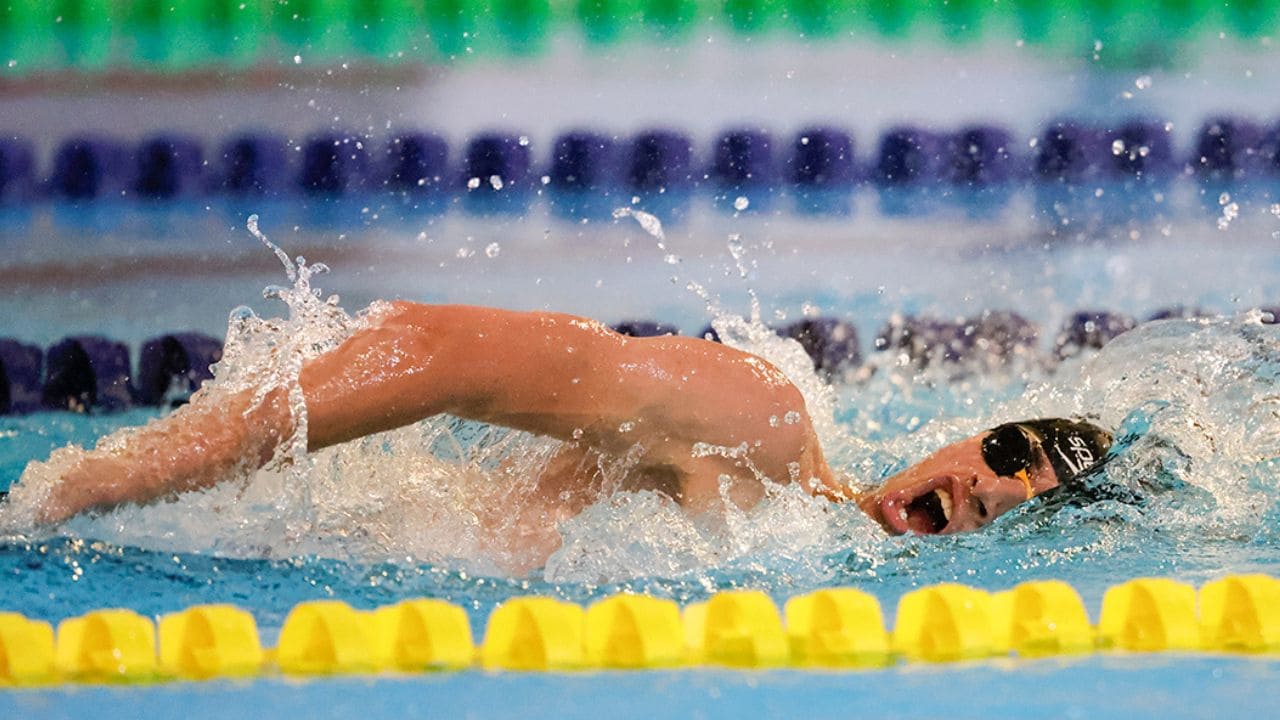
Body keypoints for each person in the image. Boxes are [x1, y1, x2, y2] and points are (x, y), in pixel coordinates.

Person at [24, 301, 1113, 561]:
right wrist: (104, 481)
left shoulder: (801, 540)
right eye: (1002, 457)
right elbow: (433, 348)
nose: (987, 489)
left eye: (1016, 506)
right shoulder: (759, 426)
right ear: (964, 438)